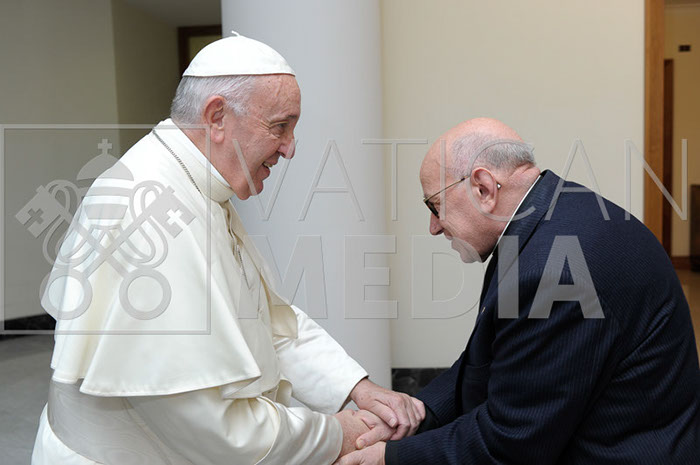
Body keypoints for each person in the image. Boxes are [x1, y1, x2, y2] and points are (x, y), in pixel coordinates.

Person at [31, 33, 423, 464]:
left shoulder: (196, 188)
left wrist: (356, 388)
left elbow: (266, 320)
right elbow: (208, 424)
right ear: (216, 117)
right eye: (280, 126)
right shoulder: (149, 208)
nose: (290, 148)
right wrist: (337, 433)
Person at [337, 118, 700, 464]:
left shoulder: (553, 270)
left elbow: (511, 444)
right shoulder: (549, 216)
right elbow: (485, 360)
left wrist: (390, 457)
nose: (433, 226)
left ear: (483, 188)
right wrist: (416, 412)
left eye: (434, 205)